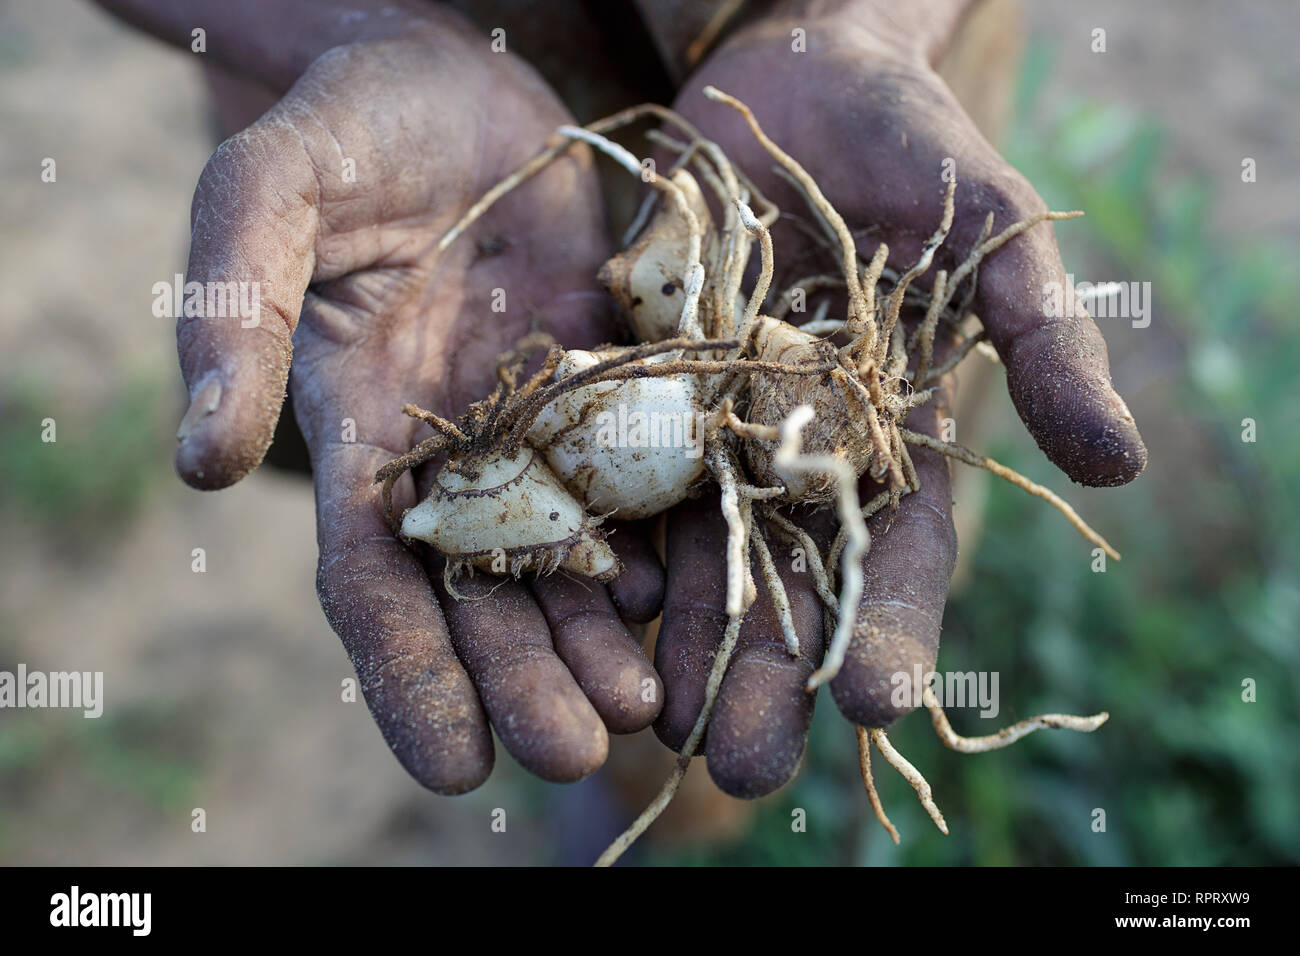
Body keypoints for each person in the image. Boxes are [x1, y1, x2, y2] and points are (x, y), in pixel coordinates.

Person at [95, 0, 1146, 800]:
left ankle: (652, 813)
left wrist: (847, 22)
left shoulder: (737, 335)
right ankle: (622, 806)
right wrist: (360, 24)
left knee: (720, 670)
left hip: (845, 152)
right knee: (634, 693)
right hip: (426, 172)